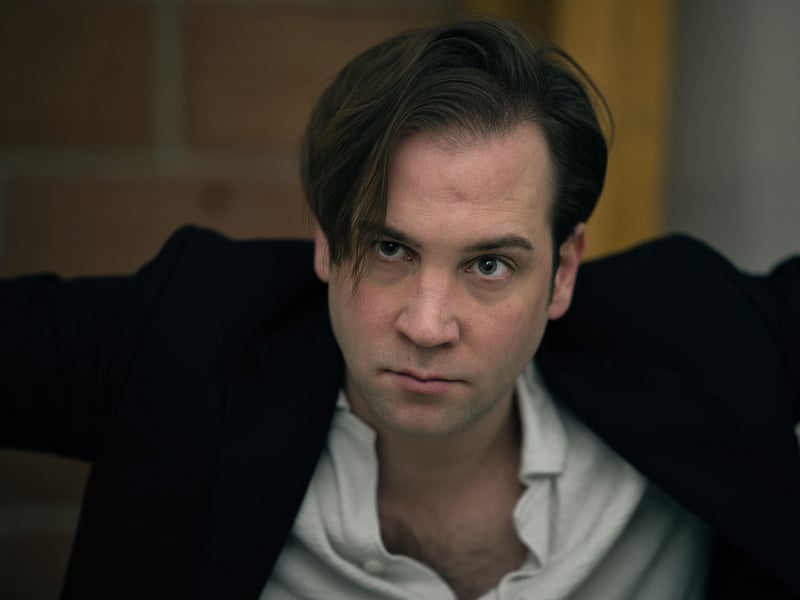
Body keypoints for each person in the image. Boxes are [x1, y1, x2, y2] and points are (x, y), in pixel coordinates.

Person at [1, 15, 798, 600]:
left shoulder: (705, 337)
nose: (426, 325)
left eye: (489, 265)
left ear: (562, 273)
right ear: (324, 240)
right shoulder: (187, 338)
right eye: (390, 249)